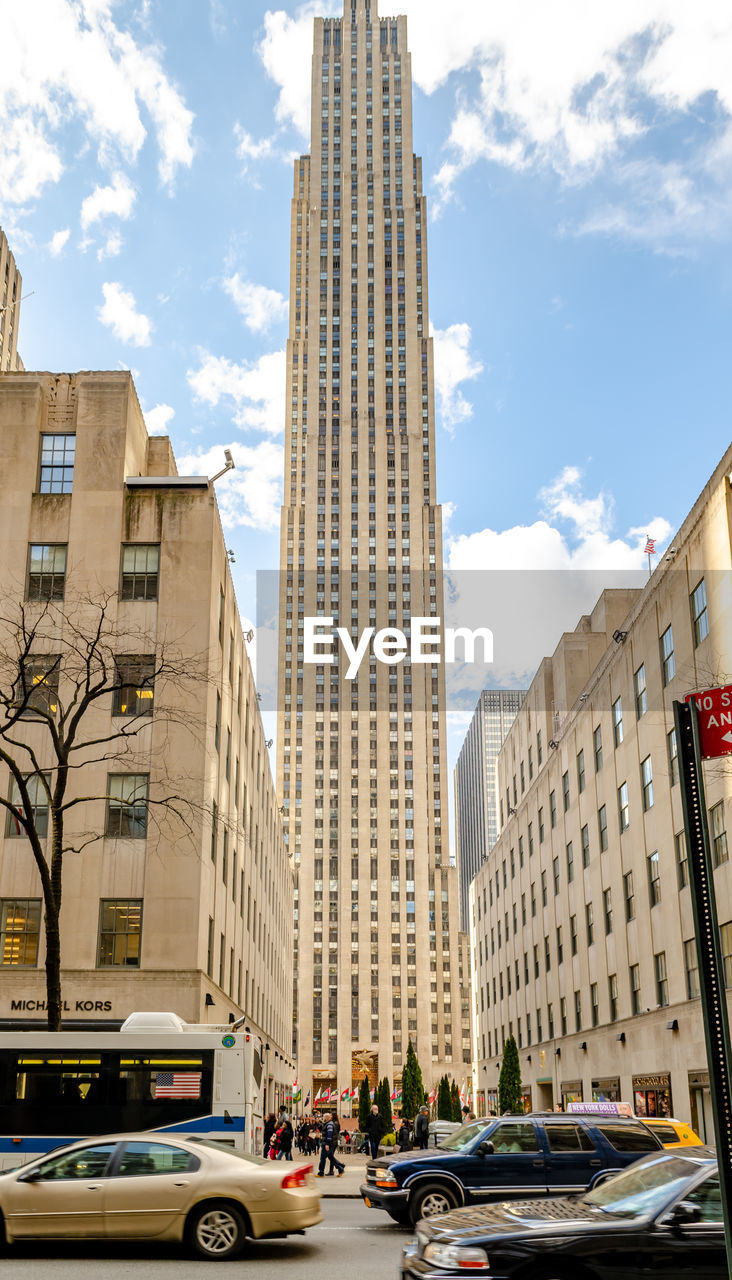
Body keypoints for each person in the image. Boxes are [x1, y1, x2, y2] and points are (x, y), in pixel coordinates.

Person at [316, 1112, 345, 1177]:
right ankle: (340, 1168)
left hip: (328, 1144)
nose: (323, 1118)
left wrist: (327, 1144)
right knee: (331, 1157)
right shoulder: (328, 1124)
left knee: (323, 1158)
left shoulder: (329, 1125)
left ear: (326, 1118)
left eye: (323, 1117)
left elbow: (329, 1135)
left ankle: (321, 1172)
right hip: (331, 1144)